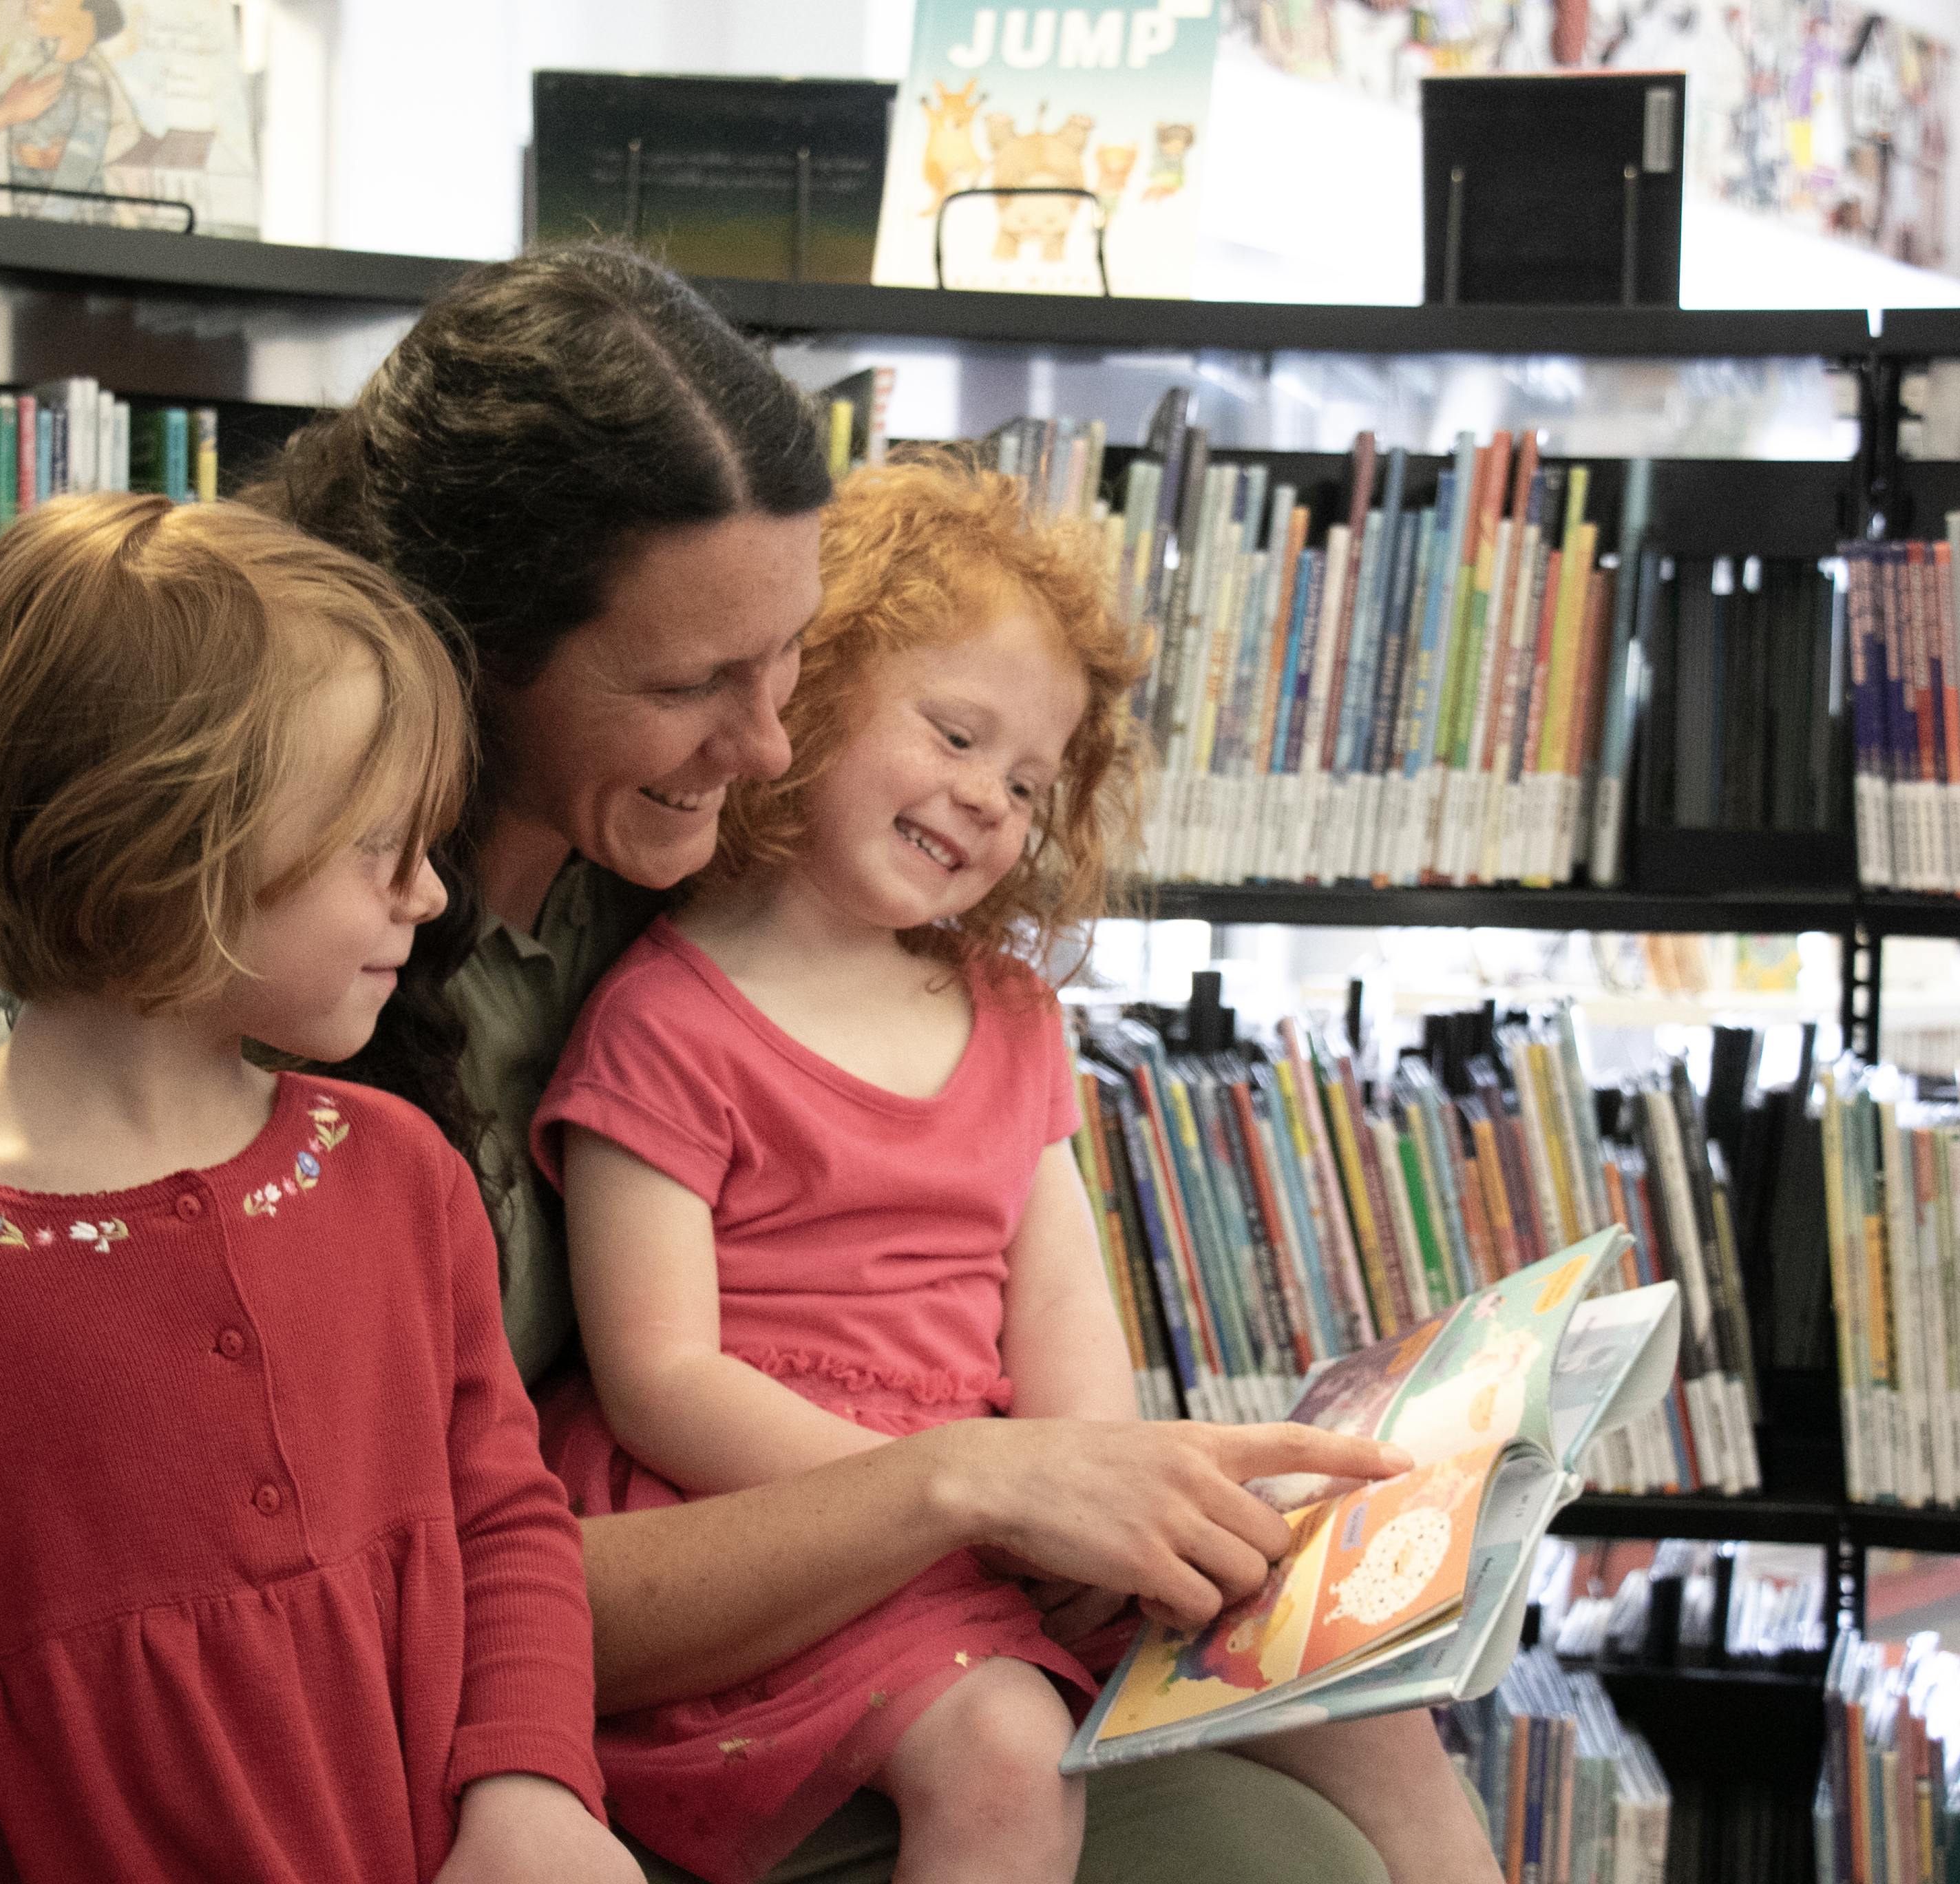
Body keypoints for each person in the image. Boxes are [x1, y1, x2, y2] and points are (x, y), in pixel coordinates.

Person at [250, 244, 1435, 1884]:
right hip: (589, 1685)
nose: (764, 749)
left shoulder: (714, 892)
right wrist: (973, 1487)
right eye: (691, 684)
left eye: (792, 660)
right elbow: (431, 1599)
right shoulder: (318, 1003)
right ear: (482, 657)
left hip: (898, 1578)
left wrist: (1096, 1488)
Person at [536, 459, 1504, 1884]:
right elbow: (660, 1381)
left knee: (1352, 1672)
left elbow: (1063, 1319)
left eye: (1029, 781)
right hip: (772, 1525)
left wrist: (1098, 1500)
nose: (990, 800)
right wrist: (959, 1495)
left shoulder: (1008, 1017)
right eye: (956, 733)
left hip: (1015, 1516)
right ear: (810, 689)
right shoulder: (663, 1022)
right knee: (1005, 1755)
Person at [0, 494, 641, 1884]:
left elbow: (508, 1527)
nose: (426, 896)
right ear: (174, 846)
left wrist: (533, 1787)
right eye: (374, 846)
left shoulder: (401, 1173)